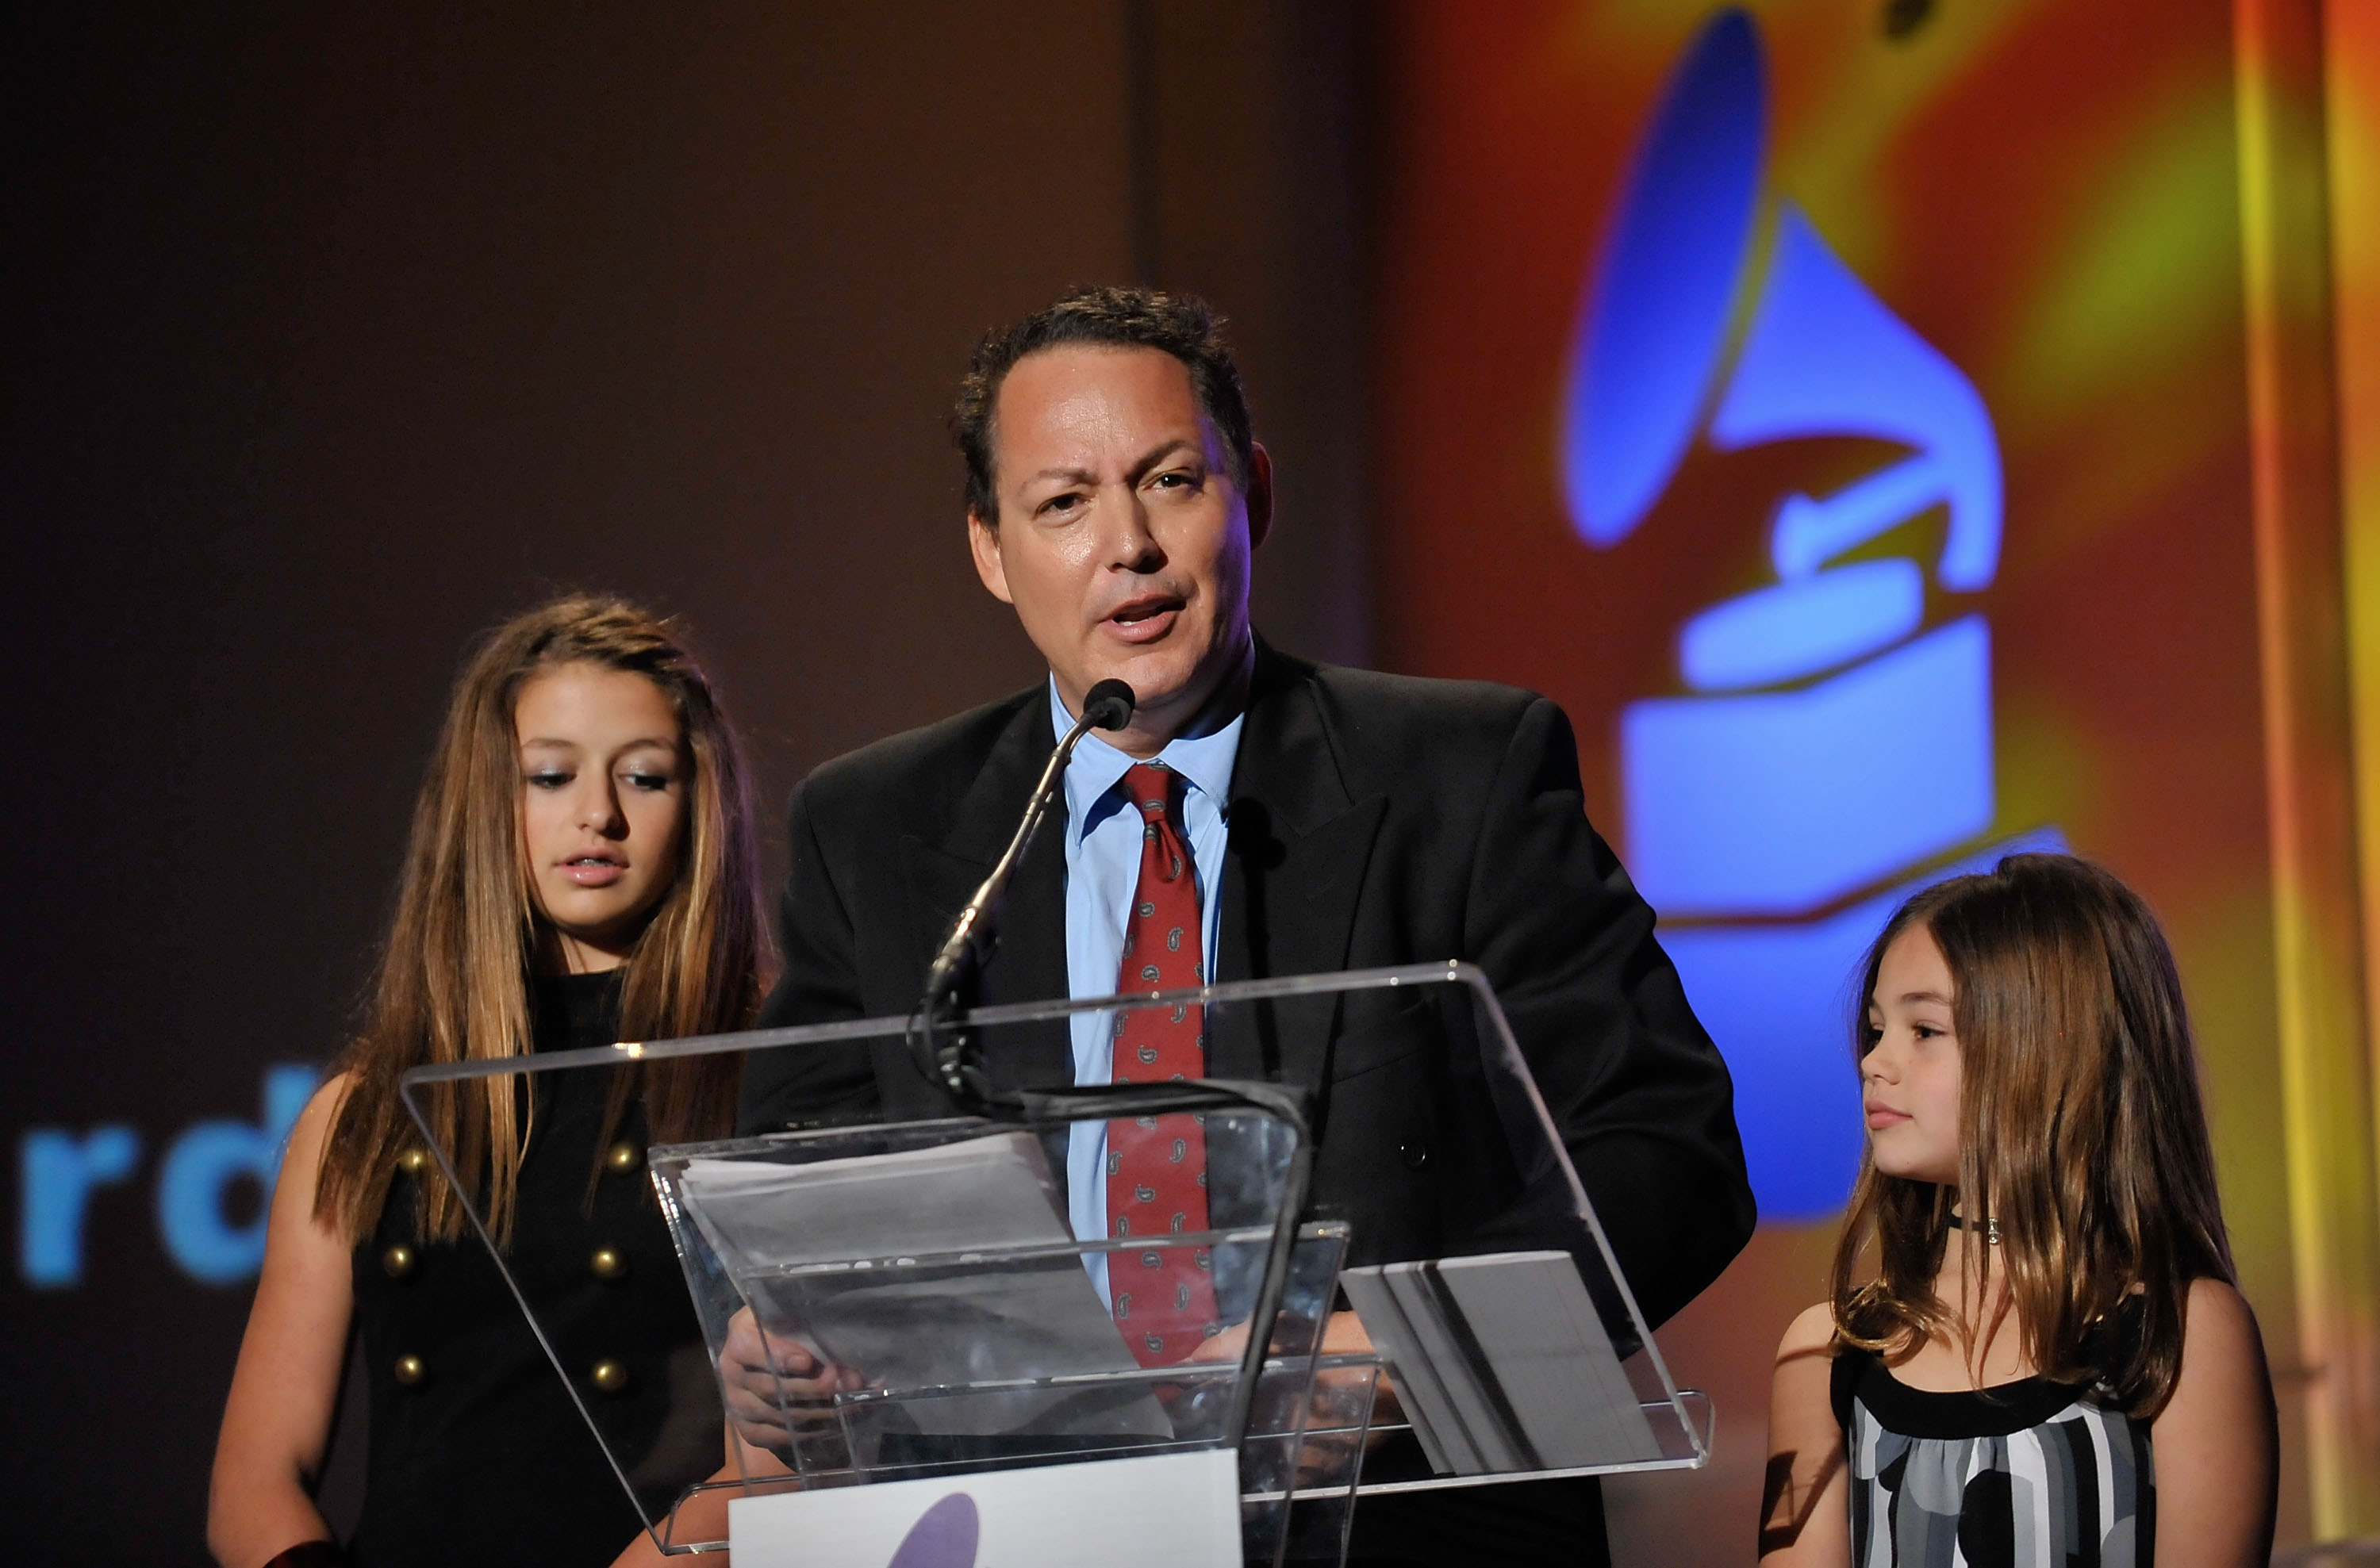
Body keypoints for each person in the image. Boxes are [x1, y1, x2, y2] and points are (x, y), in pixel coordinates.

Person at [731, 285, 1756, 1565]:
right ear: (991, 550)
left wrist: (1396, 1361)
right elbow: (798, 1183)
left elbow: (1666, 1155)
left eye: (1169, 482)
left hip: (1396, 1524)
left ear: (1252, 493)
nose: (1129, 547)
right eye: (1064, 503)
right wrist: (785, 1335)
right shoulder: (880, 830)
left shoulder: (1462, 771)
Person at [207, 596, 770, 1568]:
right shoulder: (364, 1109)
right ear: (482, 800)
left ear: (699, 804)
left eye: (644, 776)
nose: (597, 813)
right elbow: (255, 1483)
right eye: (550, 776)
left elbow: (768, 1469)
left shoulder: (757, 1079)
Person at [1758, 853, 2278, 1566]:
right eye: (1876, 1029)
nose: (1875, 1061)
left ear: (2052, 1047)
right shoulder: (1829, 1353)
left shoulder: (2177, 1331)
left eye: (1925, 1031)